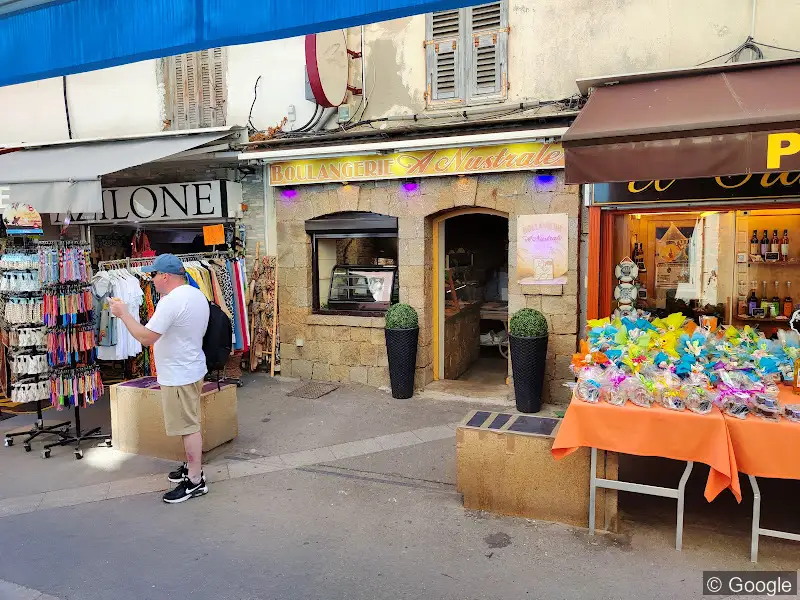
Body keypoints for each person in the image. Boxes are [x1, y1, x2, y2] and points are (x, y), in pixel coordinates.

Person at [110, 254, 210, 504]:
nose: (151, 279)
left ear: (165, 276)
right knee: (190, 422)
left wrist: (123, 314)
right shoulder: (195, 293)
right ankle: (192, 468)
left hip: (180, 375)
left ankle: (195, 481)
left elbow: (145, 337)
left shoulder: (172, 302)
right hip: (191, 368)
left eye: (153, 275)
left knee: (188, 426)